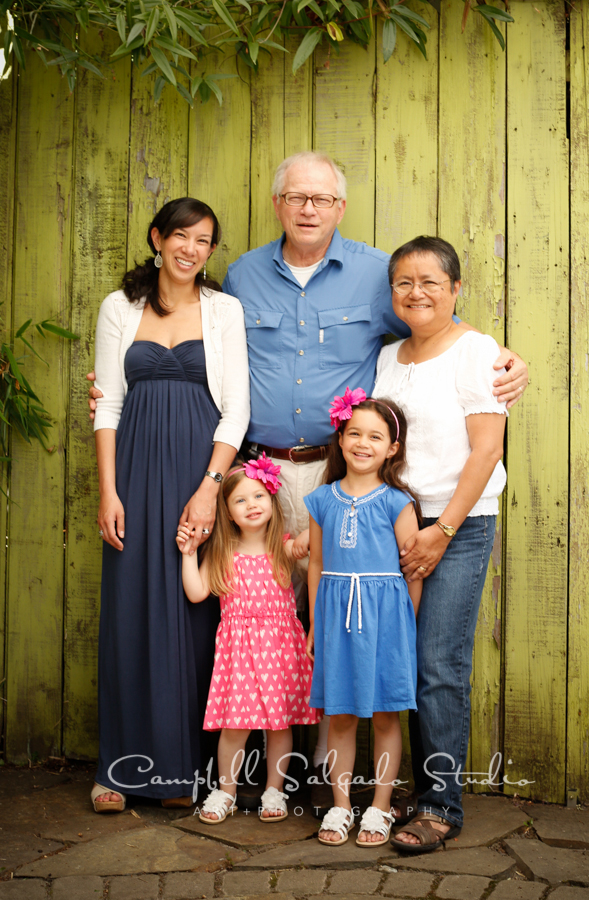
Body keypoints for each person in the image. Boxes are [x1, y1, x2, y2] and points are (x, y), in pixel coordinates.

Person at [87, 152, 528, 812]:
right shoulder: (241, 276)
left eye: (321, 199)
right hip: (263, 472)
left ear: (339, 208)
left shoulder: (378, 277)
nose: (308, 209)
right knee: (257, 613)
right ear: (277, 204)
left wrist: (500, 360)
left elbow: (428, 323)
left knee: (335, 626)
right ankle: (257, 777)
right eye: (295, 197)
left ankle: (330, 783)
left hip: (339, 473)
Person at [91, 198, 249, 812]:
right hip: (131, 467)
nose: (190, 249)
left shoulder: (224, 309)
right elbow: (107, 403)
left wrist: (211, 486)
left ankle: (183, 771)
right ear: (158, 238)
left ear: (212, 251)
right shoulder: (118, 306)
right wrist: (109, 489)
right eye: (180, 236)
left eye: (204, 240)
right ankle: (119, 771)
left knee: (195, 612)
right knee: (130, 609)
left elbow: (237, 407)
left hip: (198, 466)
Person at [371, 236, 507, 853]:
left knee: (438, 665)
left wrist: (442, 530)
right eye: (404, 282)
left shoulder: (477, 352)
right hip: (397, 523)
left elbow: (487, 449)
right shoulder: (388, 356)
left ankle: (440, 807)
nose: (416, 292)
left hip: (458, 523)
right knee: (399, 661)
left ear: (456, 288)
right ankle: (418, 787)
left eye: (431, 281)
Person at [305, 391, 422, 847]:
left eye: (375, 436)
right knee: (341, 714)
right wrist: (316, 621)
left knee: (386, 714)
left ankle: (378, 806)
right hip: (337, 615)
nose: (362, 443)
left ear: (392, 448)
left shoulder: (396, 502)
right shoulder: (320, 500)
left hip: (386, 618)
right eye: (354, 433)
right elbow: (315, 563)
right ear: (340, 437)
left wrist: (406, 623)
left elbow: (412, 569)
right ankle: (340, 805)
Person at [176, 455, 320, 824]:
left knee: (279, 723)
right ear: (226, 512)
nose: (251, 505)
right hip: (238, 652)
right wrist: (189, 554)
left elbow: (312, 547)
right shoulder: (224, 552)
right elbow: (196, 592)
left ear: (272, 502)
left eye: (258, 496)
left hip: (280, 649)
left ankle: (275, 789)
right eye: (240, 500)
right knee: (234, 725)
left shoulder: (284, 549)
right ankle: (226, 791)